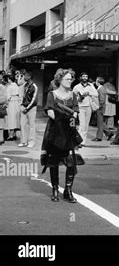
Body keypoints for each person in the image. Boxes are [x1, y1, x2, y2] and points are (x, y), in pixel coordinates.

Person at [41, 69, 82, 203]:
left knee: (70, 161)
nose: (70, 81)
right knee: (54, 161)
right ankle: (54, 189)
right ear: (60, 80)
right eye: (67, 79)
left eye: (71, 79)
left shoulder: (73, 95)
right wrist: (64, 117)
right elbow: (50, 112)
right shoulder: (52, 94)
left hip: (69, 131)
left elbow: (75, 112)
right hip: (55, 131)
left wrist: (70, 118)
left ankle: (68, 190)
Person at [72, 72, 98, 147]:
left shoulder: (91, 85)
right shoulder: (77, 87)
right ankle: (78, 141)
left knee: (86, 125)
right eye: (83, 76)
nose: (85, 78)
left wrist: (89, 93)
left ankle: (83, 141)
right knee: (82, 124)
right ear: (80, 78)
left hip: (88, 107)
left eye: (86, 76)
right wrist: (79, 98)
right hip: (80, 107)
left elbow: (96, 94)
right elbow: (72, 97)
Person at [18, 70, 38, 148]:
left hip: (31, 108)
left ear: (29, 76)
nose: (24, 77)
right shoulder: (25, 85)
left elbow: (34, 100)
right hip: (24, 107)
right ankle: (23, 141)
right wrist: (21, 106)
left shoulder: (34, 86)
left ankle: (31, 141)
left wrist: (27, 108)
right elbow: (22, 96)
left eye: (25, 76)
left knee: (32, 125)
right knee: (23, 125)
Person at [92, 76, 113, 142]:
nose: (95, 82)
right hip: (100, 107)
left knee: (99, 123)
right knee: (100, 122)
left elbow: (102, 100)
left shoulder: (101, 89)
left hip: (100, 108)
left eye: (96, 81)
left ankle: (99, 137)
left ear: (98, 82)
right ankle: (109, 133)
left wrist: (98, 107)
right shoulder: (101, 88)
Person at [5, 74, 21, 140]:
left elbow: (8, 97)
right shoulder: (17, 86)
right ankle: (14, 134)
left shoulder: (9, 87)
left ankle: (11, 135)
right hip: (16, 102)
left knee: (10, 119)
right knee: (15, 118)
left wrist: (5, 103)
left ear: (9, 79)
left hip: (11, 103)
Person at [0, 71, 7, 145]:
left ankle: (1, 138)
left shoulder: (2, 86)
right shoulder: (3, 85)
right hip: (2, 105)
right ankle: (1, 138)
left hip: (1, 105)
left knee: (1, 124)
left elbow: (4, 97)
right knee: (1, 124)